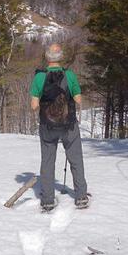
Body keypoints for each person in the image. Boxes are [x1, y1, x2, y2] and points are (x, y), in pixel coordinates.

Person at [30, 43, 89, 211]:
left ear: (47, 57)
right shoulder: (69, 75)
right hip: (69, 126)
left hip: (47, 126)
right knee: (76, 159)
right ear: (60, 57)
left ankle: (48, 200)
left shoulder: (39, 78)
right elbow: (78, 100)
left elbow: (34, 105)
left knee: (47, 162)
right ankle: (81, 197)